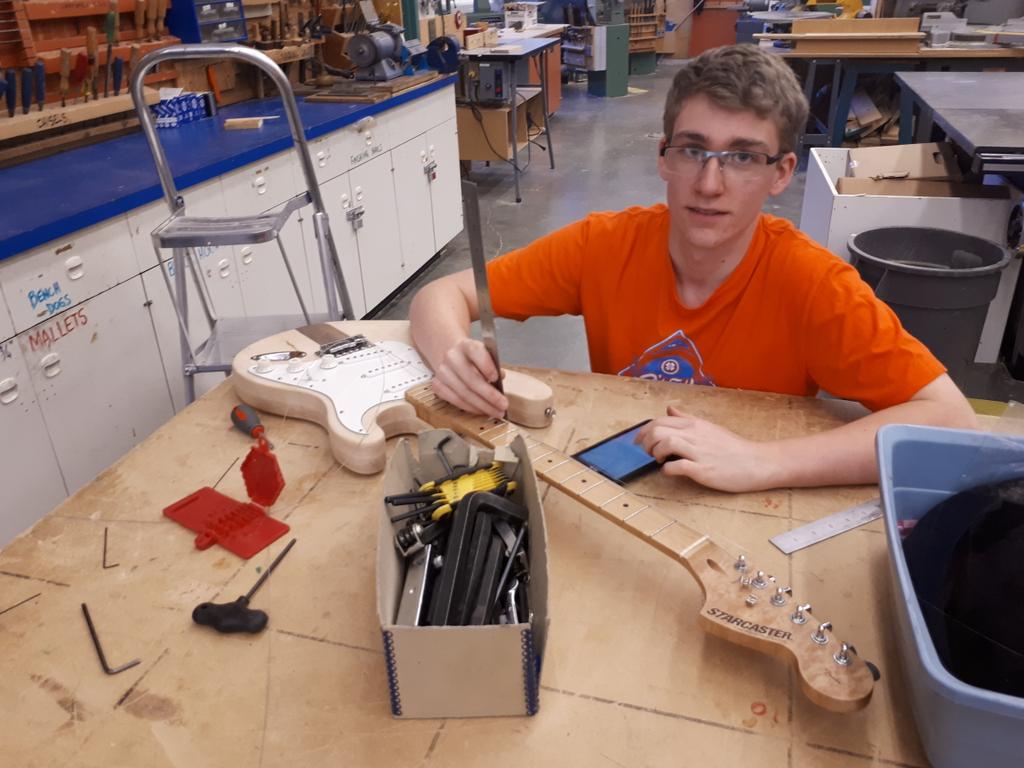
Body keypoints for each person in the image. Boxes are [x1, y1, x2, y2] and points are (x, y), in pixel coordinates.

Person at [409, 44, 978, 492]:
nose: (709, 184)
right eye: (693, 150)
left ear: (781, 173)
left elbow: (951, 420)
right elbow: (441, 296)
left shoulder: (812, 284)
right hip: (631, 480)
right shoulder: (603, 246)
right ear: (664, 157)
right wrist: (453, 355)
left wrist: (764, 462)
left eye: (742, 157)